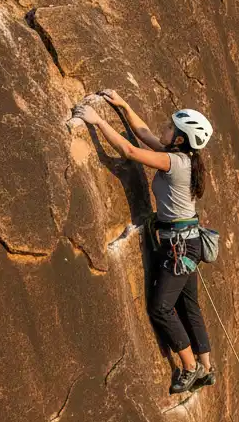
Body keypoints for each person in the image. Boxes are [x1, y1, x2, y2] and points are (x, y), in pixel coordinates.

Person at [74, 91, 216, 394]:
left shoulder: (174, 162)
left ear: (179, 139)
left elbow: (130, 150)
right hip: (187, 243)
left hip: (179, 247)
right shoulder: (182, 156)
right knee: (188, 304)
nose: (163, 128)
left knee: (161, 308)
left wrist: (96, 120)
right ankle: (207, 367)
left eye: (170, 127)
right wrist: (123, 105)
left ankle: (190, 368)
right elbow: (143, 135)